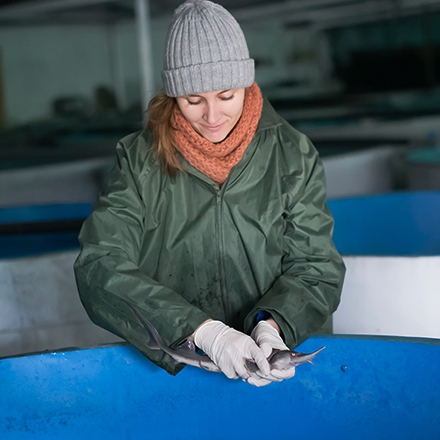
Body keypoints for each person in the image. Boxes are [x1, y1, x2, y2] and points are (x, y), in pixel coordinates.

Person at [74, 0, 345, 387]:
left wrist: (275, 326)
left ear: (247, 83)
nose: (212, 117)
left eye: (227, 95)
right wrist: (201, 332)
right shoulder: (139, 161)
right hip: (185, 367)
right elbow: (99, 265)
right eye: (193, 100)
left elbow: (317, 265)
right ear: (173, 96)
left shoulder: (291, 154)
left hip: (275, 371)